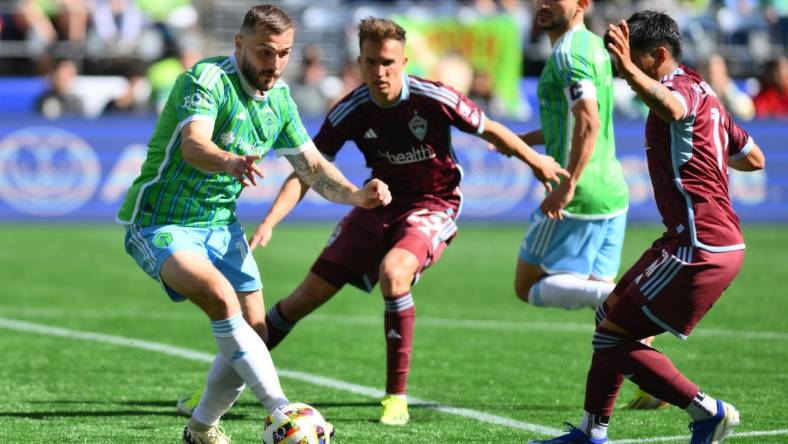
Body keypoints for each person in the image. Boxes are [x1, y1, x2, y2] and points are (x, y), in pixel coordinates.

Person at [176, 16, 569, 427]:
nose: (380, 72)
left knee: (394, 273)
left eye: (388, 63)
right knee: (299, 301)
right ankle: (212, 398)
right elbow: (308, 170)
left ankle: (395, 397)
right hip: (376, 207)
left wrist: (536, 160)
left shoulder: (433, 97)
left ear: (404, 61)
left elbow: (490, 130)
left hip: (432, 204)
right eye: (371, 62)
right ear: (359, 62)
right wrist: (271, 220)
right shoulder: (351, 108)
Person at [117, 5, 391, 444]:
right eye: (266, 52)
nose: (276, 64)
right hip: (160, 222)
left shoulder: (280, 99)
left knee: (256, 330)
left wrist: (357, 196)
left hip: (220, 226)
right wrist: (230, 162)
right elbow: (193, 146)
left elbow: (313, 167)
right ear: (240, 44)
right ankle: (282, 409)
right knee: (221, 297)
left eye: (284, 53)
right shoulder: (207, 80)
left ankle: (201, 428)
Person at [531, 10, 765, 444]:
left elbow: (672, 107)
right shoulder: (704, 90)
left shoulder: (678, 90)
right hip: (698, 240)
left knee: (610, 339)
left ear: (658, 56)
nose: (623, 70)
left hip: (699, 245)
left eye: (632, 60)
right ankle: (592, 430)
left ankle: (707, 411)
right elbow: (754, 158)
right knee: (608, 317)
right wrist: (707, 154)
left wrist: (636, 77)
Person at [512, 0, 629, 314]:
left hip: (577, 191)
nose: (543, 3)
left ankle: (629, 299)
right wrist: (522, 142)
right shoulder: (593, 45)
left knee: (526, 285)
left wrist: (568, 184)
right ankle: (631, 330)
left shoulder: (567, 53)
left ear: (582, 4)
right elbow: (574, 121)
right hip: (612, 190)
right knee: (612, 320)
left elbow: (588, 120)